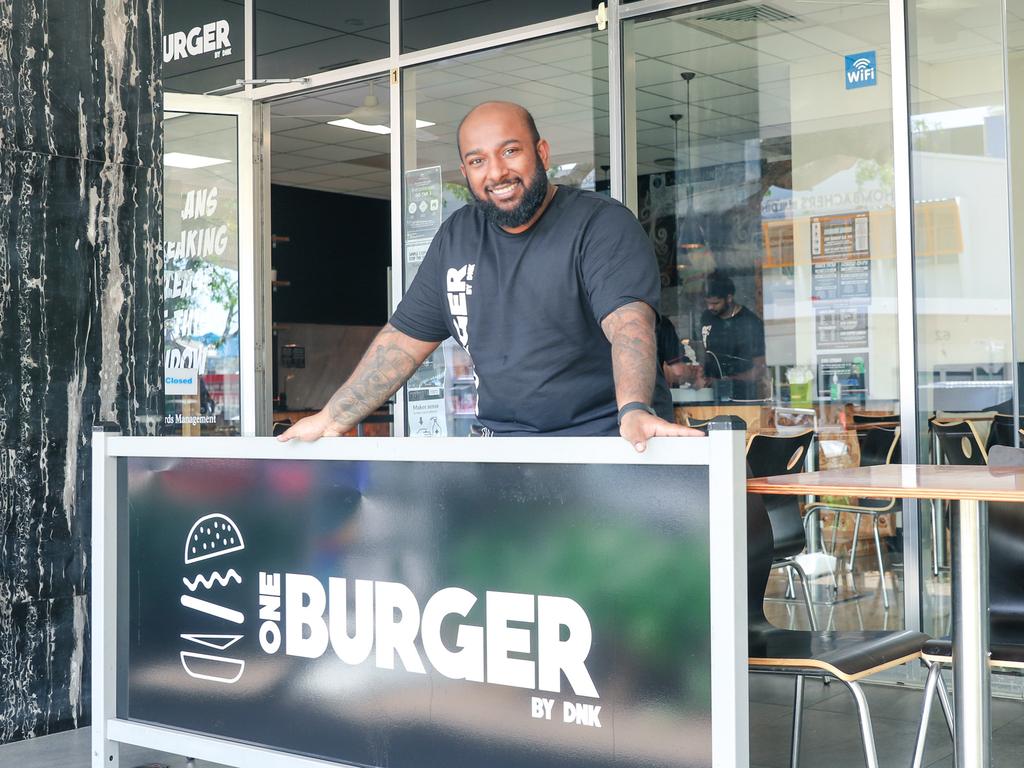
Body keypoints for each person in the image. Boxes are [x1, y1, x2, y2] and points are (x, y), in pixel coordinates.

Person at [279, 101, 700, 451]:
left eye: (510, 151)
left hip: (605, 446)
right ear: (464, 173)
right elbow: (402, 343)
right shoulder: (457, 236)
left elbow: (629, 326)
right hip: (504, 451)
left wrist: (634, 409)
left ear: (542, 153)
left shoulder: (599, 224)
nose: (496, 172)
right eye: (477, 160)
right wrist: (331, 418)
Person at [697, 273, 765, 400]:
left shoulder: (750, 323)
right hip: (709, 395)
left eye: (715, 303)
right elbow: (705, 352)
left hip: (742, 396)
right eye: (707, 303)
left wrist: (726, 381)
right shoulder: (706, 317)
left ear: (729, 298)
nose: (710, 307)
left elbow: (759, 370)